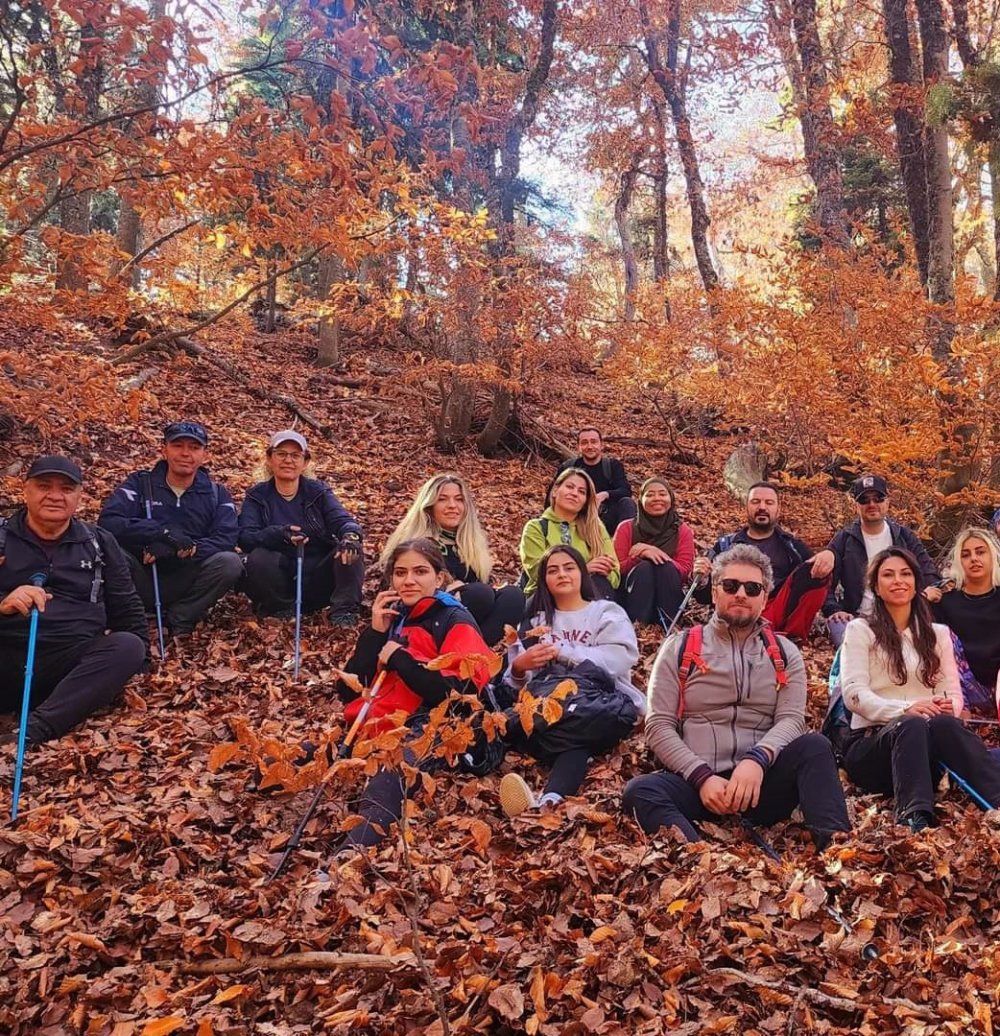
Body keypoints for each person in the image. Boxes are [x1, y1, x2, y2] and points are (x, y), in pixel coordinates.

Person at [622, 544, 851, 850]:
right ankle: (700, 860)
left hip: (762, 784)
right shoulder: (680, 647)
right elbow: (658, 725)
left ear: (764, 597)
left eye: (752, 588)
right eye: (730, 586)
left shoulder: (785, 653)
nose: (741, 594)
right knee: (640, 792)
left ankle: (838, 850)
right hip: (698, 782)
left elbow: (792, 720)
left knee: (816, 747)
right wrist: (701, 777)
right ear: (715, 592)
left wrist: (757, 760)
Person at [328, 538, 495, 854]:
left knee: (387, 779)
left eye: (420, 572)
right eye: (401, 573)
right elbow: (347, 689)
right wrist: (375, 633)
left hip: (422, 731)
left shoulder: (453, 619)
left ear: (439, 578)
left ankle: (349, 857)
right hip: (370, 726)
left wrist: (402, 660)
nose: (409, 581)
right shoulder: (394, 617)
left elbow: (461, 697)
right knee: (287, 761)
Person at [839, 547, 1000, 831]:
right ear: (876, 586)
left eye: (905, 574)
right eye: (888, 575)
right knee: (911, 724)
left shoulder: (937, 634)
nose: (898, 580)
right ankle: (915, 818)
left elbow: (952, 692)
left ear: (916, 583)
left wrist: (946, 706)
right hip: (873, 745)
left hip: (929, 745)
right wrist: (904, 709)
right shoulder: (860, 630)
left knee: (945, 724)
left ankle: (996, 800)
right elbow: (854, 694)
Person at [0, 457, 147, 745]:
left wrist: (140, 665)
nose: (55, 496)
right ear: (25, 490)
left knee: (128, 645)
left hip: (70, 664)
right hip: (8, 653)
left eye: (66, 489)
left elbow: (126, 605)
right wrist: (3, 602)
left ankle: (34, 730)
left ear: (79, 496)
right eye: (44, 486)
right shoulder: (2, 537)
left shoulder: (98, 542)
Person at [498, 545, 643, 816]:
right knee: (515, 727)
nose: (562, 574)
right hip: (546, 710)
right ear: (544, 581)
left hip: (597, 706)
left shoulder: (606, 611)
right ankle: (538, 797)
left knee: (578, 734)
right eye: (553, 570)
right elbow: (516, 682)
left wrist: (564, 652)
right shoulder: (535, 620)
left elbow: (619, 659)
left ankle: (547, 800)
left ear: (581, 573)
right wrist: (520, 665)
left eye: (569, 567)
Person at [98, 420, 244, 635]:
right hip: (142, 573)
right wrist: (160, 532)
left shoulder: (217, 493)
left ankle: (181, 617)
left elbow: (226, 538)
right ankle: (128, 616)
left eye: (194, 448)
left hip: (188, 577)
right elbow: (109, 522)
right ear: (164, 449)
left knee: (230, 562)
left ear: (204, 454)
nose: (186, 453)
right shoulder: (140, 483)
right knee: (109, 551)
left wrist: (181, 551)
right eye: (178, 446)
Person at [379, 474, 524, 644]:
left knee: (513, 596)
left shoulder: (469, 545)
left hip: (465, 618)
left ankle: (474, 656)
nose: (452, 506)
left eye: (459, 499)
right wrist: (449, 589)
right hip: (423, 616)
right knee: (480, 594)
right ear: (429, 506)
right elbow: (399, 590)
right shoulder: (415, 544)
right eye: (443, 499)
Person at [239, 430, 364, 626]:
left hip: (317, 575)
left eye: (296, 455)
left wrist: (351, 535)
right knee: (258, 558)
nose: (288, 460)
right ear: (269, 459)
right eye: (281, 454)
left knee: (348, 550)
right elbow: (245, 537)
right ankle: (279, 609)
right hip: (278, 578)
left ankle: (343, 611)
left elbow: (342, 520)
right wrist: (278, 534)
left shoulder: (318, 492)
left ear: (305, 462)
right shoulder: (257, 496)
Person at [811, 475, 940, 648]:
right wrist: (834, 610)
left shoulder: (904, 536)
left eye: (878, 498)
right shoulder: (845, 539)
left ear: (887, 502)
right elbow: (825, 583)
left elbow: (927, 570)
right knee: (843, 635)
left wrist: (926, 593)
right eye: (864, 500)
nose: (872, 504)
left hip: (901, 613)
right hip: (857, 617)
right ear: (857, 505)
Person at [693, 482, 829, 640]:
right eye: (755, 502)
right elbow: (705, 597)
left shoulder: (792, 546)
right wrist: (701, 578)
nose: (762, 507)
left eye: (769, 502)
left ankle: (789, 638)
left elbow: (819, 580)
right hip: (736, 609)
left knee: (815, 567)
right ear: (746, 507)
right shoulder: (726, 545)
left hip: (776, 610)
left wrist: (829, 554)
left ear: (778, 509)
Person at [519, 468, 619, 600]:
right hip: (546, 598)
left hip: (592, 594)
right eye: (569, 487)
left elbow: (615, 577)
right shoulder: (536, 527)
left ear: (585, 501)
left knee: (597, 581)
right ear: (555, 491)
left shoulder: (596, 528)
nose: (574, 493)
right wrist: (582, 570)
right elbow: (537, 573)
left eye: (581, 492)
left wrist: (601, 571)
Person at [932, 528, 1000, 717]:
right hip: (961, 691)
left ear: (992, 556)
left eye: (980, 552)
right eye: (966, 554)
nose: (974, 559)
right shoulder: (945, 602)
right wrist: (923, 599)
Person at [613, 478, 695, 626]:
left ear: (671, 498)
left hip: (668, 599)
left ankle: (669, 626)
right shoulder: (626, 528)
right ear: (641, 499)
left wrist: (653, 551)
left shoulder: (683, 531)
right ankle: (637, 627)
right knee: (644, 568)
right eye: (650, 495)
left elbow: (684, 573)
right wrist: (639, 557)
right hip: (631, 599)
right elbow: (615, 569)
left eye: (662, 494)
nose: (657, 499)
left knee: (666, 568)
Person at [553, 428, 636, 537]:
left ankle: (624, 543)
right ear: (578, 447)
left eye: (594, 442)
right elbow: (553, 494)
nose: (590, 446)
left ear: (601, 445)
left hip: (606, 516)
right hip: (578, 516)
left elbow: (625, 491)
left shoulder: (612, 466)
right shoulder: (569, 467)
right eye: (584, 443)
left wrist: (605, 495)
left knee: (627, 503)